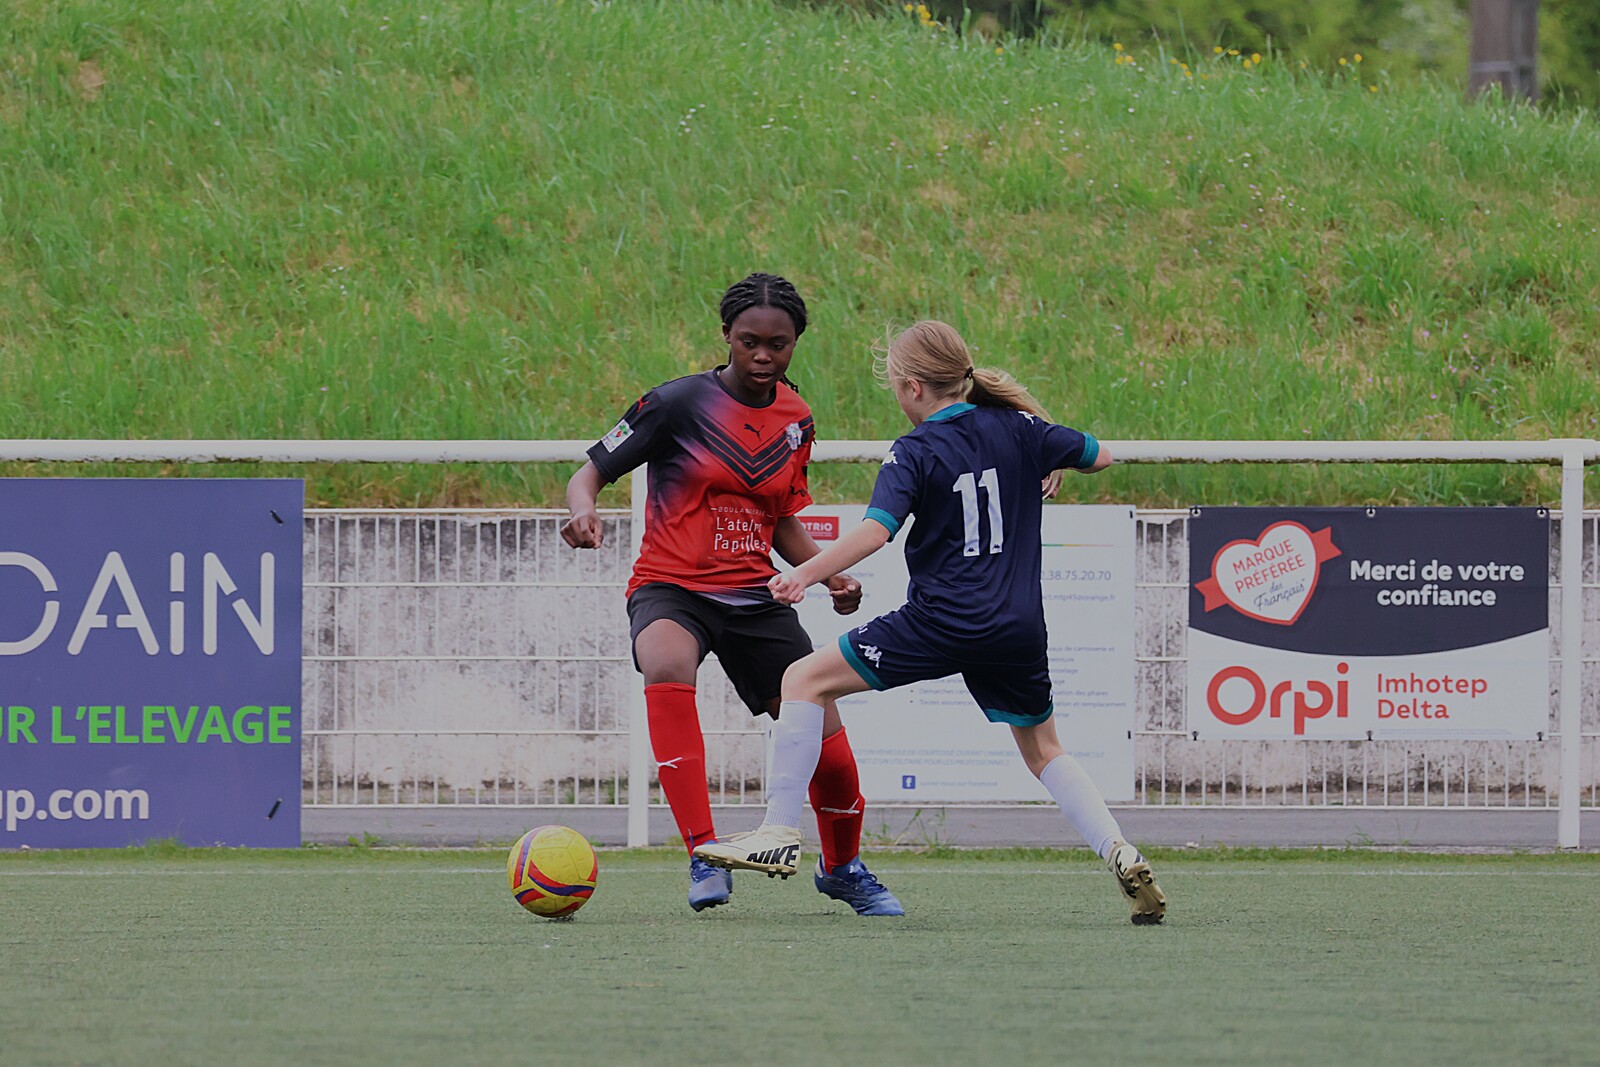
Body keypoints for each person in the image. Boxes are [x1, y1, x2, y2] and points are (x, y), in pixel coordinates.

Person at [695, 319, 1166, 925]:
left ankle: (779, 831)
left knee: (802, 681)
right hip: (1018, 628)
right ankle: (1119, 850)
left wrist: (804, 575)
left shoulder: (914, 450)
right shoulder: (1021, 428)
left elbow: (876, 532)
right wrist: (1052, 459)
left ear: (913, 388)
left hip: (942, 623)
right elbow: (1100, 455)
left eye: (896, 386)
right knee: (1045, 750)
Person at [561, 272, 904, 917]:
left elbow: (781, 520)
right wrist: (583, 509)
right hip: (671, 586)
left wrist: (828, 573)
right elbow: (591, 472)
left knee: (823, 735)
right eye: (750, 342)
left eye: (778, 344)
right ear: (727, 335)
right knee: (666, 661)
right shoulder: (675, 403)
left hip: (754, 595)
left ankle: (843, 869)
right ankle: (703, 852)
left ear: (796, 343)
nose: (763, 355)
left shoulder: (797, 420)